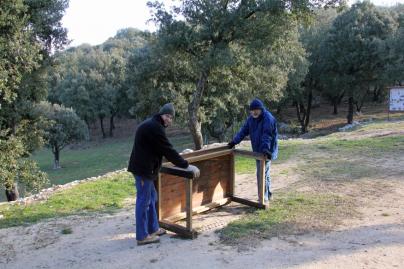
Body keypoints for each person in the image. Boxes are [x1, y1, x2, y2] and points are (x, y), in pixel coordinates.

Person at [128, 103, 200, 246]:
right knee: (144, 201)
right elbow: (168, 150)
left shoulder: (155, 125)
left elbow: (161, 149)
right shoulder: (155, 128)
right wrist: (186, 165)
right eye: (167, 116)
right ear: (161, 114)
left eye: (171, 118)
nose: (169, 120)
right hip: (143, 170)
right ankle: (142, 236)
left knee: (152, 198)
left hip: (147, 169)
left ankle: (153, 228)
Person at [228, 98, 278, 203]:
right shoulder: (251, 119)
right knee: (265, 172)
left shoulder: (268, 119)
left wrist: (265, 149)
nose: (254, 112)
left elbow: (267, 135)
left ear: (261, 109)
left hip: (267, 150)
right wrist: (234, 141)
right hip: (257, 150)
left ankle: (263, 198)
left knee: (261, 173)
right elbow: (243, 131)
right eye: (252, 110)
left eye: (256, 110)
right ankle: (268, 194)